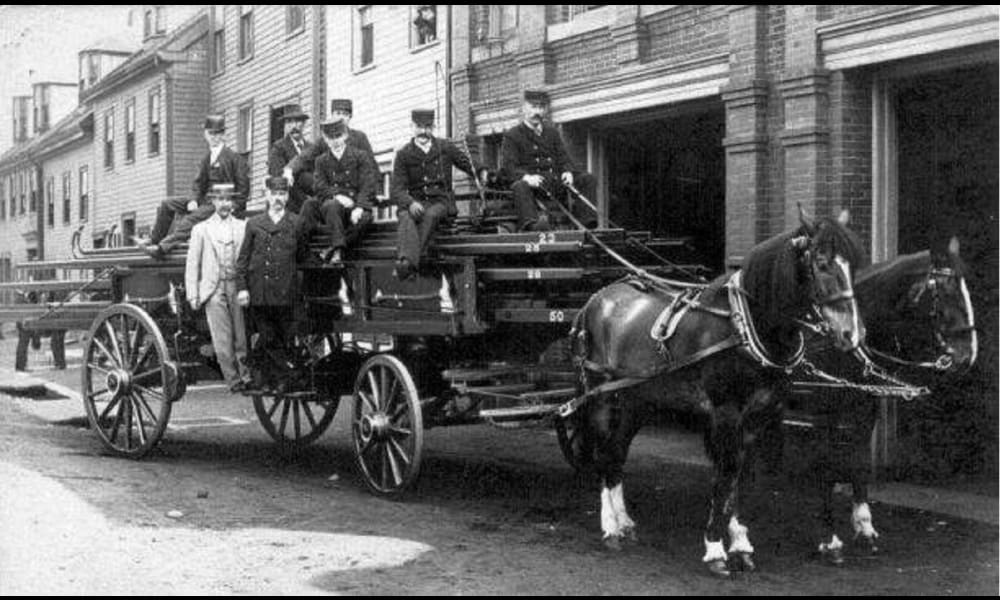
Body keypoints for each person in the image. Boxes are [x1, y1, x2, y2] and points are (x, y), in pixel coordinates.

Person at [236, 177, 310, 394]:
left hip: (286, 294)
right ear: (266, 195)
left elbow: (304, 258)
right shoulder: (254, 224)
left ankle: (279, 379)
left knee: (285, 338)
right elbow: (243, 260)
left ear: (287, 197)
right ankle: (284, 378)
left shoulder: (297, 223)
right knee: (267, 338)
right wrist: (242, 288)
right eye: (274, 194)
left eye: (282, 194)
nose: (278, 199)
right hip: (260, 293)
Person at [391, 109, 486, 279]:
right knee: (405, 216)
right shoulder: (403, 154)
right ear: (412, 127)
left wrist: (483, 172)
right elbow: (396, 189)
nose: (423, 132)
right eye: (419, 127)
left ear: (433, 127)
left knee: (431, 214)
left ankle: (409, 265)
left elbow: (467, 163)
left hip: (441, 203)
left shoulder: (445, 147)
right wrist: (410, 202)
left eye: (427, 127)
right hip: (417, 202)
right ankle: (407, 260)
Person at [142, 115, 250, 258]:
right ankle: (155, 240)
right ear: (205, 134)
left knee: (190, 219)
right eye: (211, 133)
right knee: (167, 204)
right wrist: (193, 200)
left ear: (223, 135)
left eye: (218, 133)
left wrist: (232, 206)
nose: (214, 137)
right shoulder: (207, 158)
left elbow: (243, 190)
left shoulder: (234, 158)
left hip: (222, 204)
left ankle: (162, 248)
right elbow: (198, 184)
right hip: (205, 200)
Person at [499, 89, 597, 231]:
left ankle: (587, 223)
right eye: (533, 107)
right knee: (520, 185)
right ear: (524, 109)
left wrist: (567, 171)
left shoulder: (552, 132)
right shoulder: (512, 135)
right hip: (532, 187)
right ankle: (531, 224)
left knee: (587, 179)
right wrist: (527, 177)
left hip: (554, 183)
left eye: (540, 107)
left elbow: (564, 157)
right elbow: (509, 166)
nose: (537, 112)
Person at [185, 184, 250, 393]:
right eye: (220, 199)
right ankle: (233, 380)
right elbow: (192, 264)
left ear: (232, 203)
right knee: (222, 339)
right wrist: (193, 294)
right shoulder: (201, 229)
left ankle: (247, 376)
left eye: (228, 200)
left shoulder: (243, 226)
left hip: (236, 285)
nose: (224, 204)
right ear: (213, 201)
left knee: (242, 335)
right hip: (213, 289)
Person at [306, 119, 376, 264]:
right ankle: (338, 251)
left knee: (366, 218)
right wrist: (337, 196)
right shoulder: (321, 161)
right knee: (330, 205)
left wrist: (360, 207)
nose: (335, 141)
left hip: (355, 206)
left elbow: (367, 184)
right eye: (331, 138)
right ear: (325, 139)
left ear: (345, 136)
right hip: (334, 210)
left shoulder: (360, 156)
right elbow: (319, 186)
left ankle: (332, 248)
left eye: (338, 136)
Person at [267, 104, 313, 214]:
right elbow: (279, 179)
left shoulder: (311, 148)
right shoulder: (278, 148)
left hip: (312, 207)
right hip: (289, 207)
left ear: (303, 124)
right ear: (285, 126)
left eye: (298, 122)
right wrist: (305, 200)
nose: (294, 126)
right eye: (290, 122)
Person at [14, 291, 66, 372]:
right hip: (41, 321)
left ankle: (20, 366)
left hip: (48, 320)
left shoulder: (50, 293)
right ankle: (60, 363)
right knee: (25, 330)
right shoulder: (28, 295)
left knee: (57, 330)